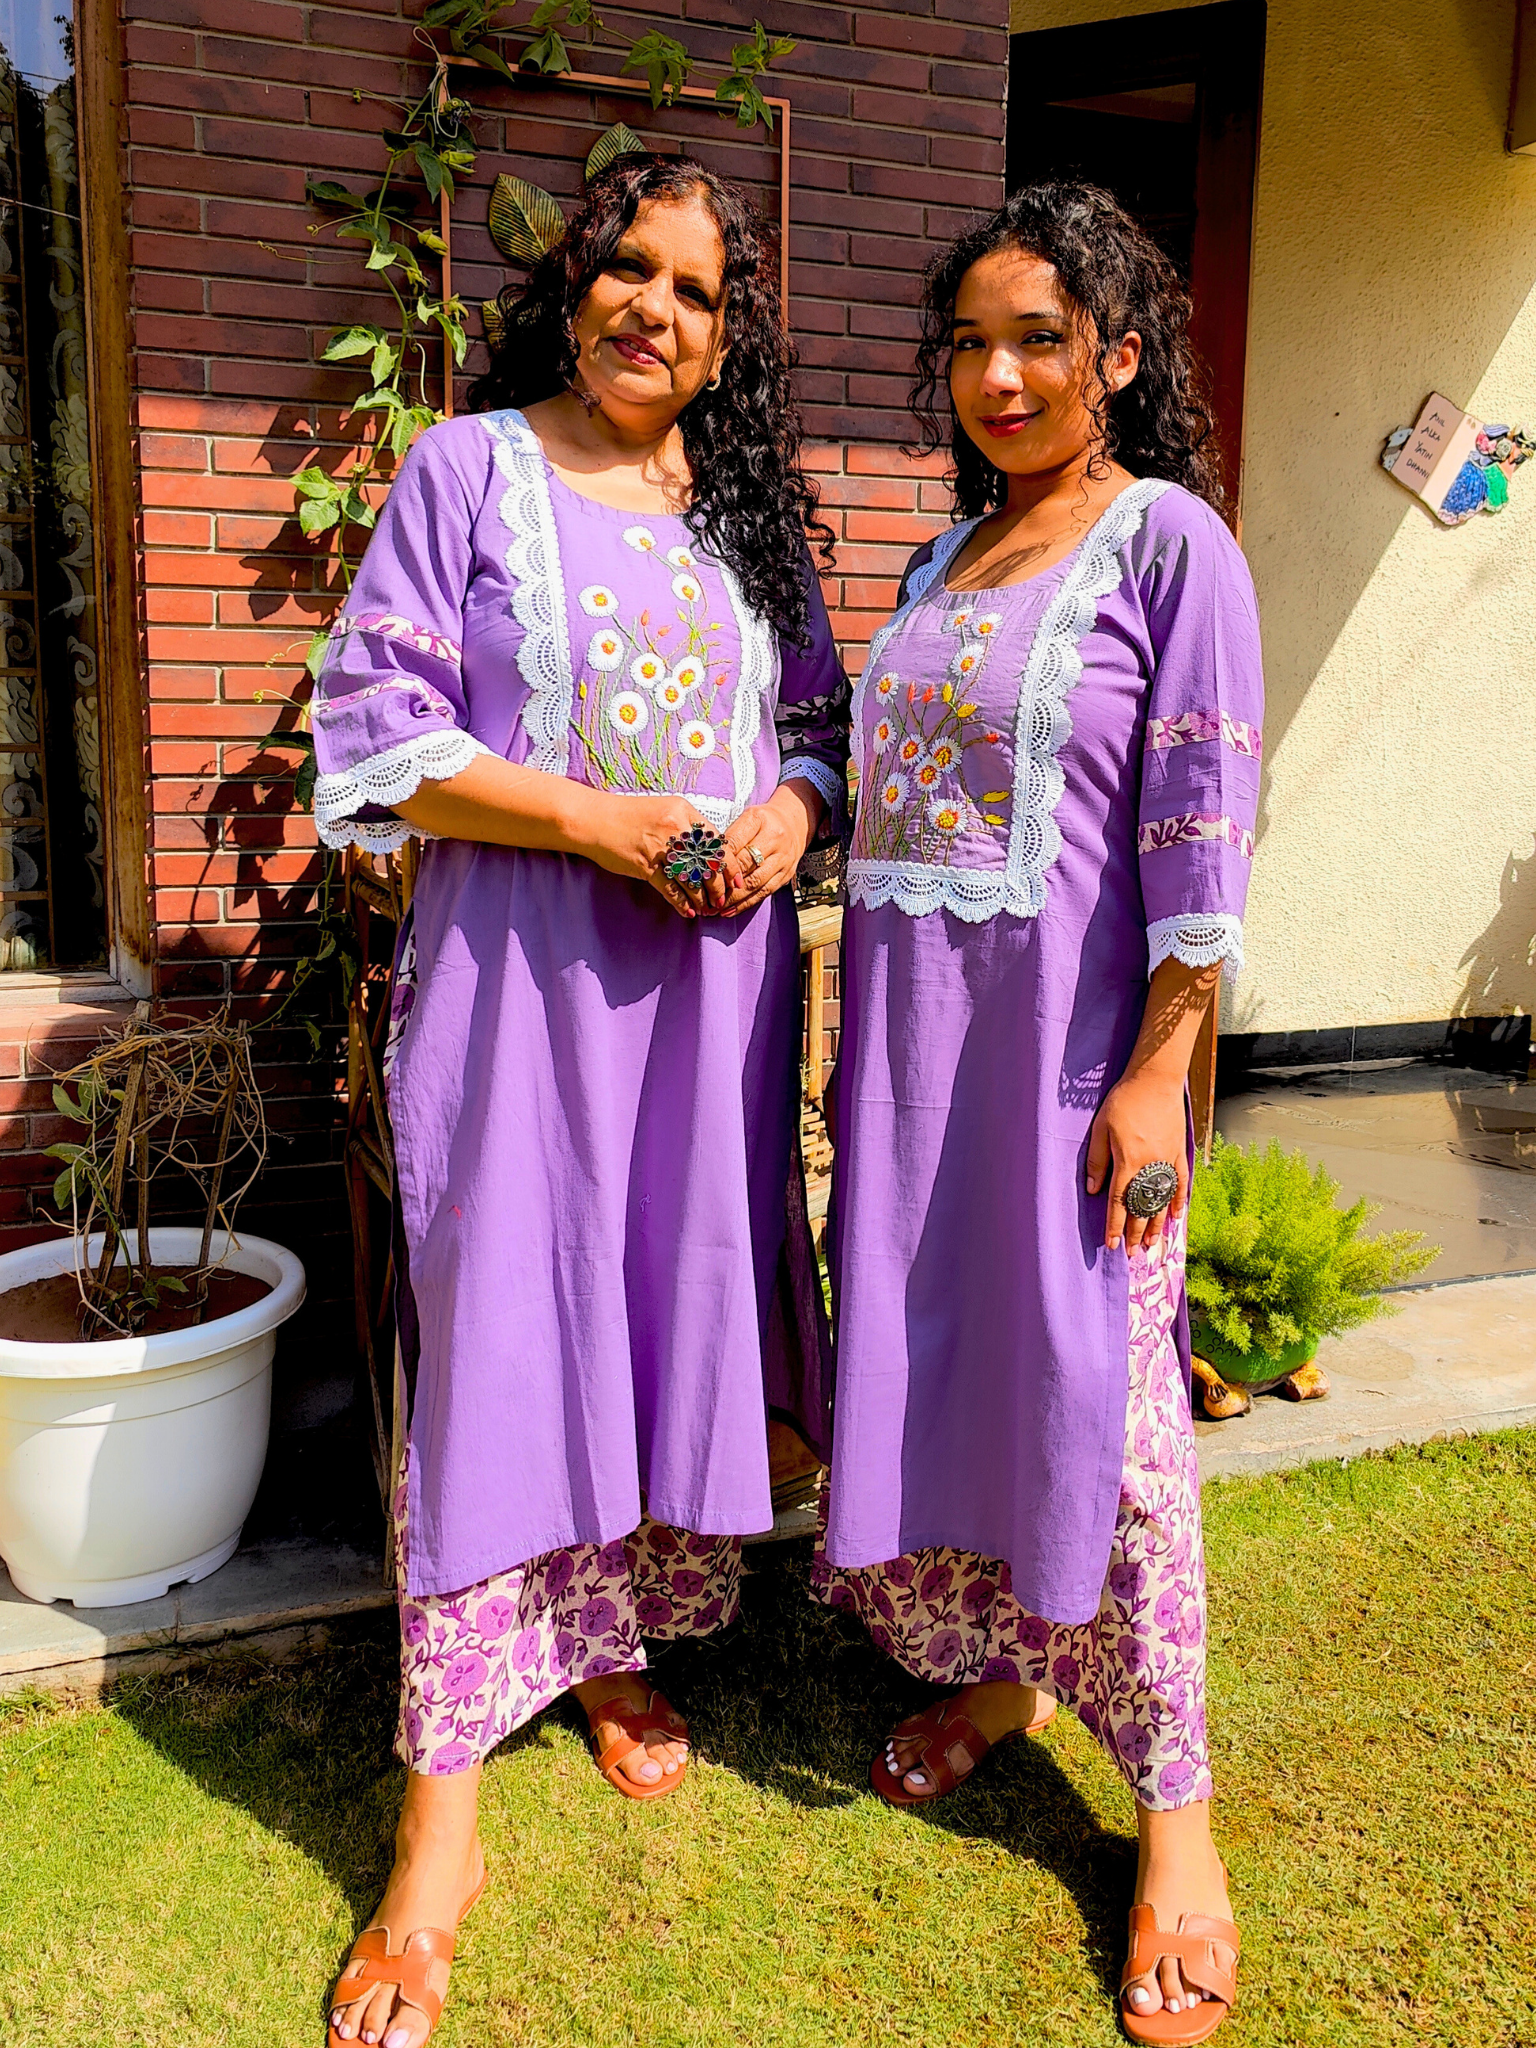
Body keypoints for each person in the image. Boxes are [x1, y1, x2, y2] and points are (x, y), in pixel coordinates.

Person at [314, 154, 848, 2048]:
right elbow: (376, 739)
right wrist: (598, 820)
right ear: (575, 283)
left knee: (638, 1326)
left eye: (700, 293)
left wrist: (783, 819)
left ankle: (611, 1649)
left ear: (730, 335)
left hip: (700, 1013)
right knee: (499, 1352)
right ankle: (436, 1833)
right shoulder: (468, 471)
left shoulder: (750, 516)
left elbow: (815, 740)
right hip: (520, 992)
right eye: (629, 268)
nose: (657, 311)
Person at [812, 181, 1260, 2045]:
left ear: (1119, 358)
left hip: (1075, 1075)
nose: (996, 377)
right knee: (964, 1375)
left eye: (1040, 341)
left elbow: (1203, 836)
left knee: (1109, 1417)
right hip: (921, 1072)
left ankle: (1178, 1825)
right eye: (969, 345)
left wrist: (1161, 1067)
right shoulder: (934, 571)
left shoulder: (1168, 550)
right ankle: (1006, 1682)